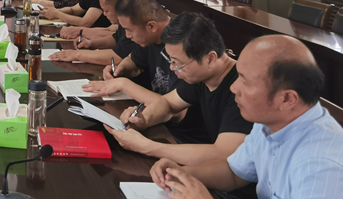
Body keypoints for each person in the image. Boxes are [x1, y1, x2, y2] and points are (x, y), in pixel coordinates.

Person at [150, 35, 343, 199]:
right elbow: (234, 173)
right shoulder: (269, 122)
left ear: (287, 99)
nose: (233, 88)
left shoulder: (323, 168)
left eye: (245, 81)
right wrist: (182, 173)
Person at [107, 13, 251, 167]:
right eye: (171, 61)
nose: (172, 68)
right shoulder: (202, 75)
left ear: (210, 58)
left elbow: (223, 154)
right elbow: (168, 103)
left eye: (178, 64)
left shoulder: (243, 89)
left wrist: (147, 147)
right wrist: (144, 119)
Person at [49, 0, 136, 66]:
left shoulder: (134, 24)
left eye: (106, 10)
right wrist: (91, 43)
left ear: (120, 7)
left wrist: (77, 55)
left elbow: (117, 57)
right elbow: (115, 39)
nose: (104, 14)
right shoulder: (123, 23)